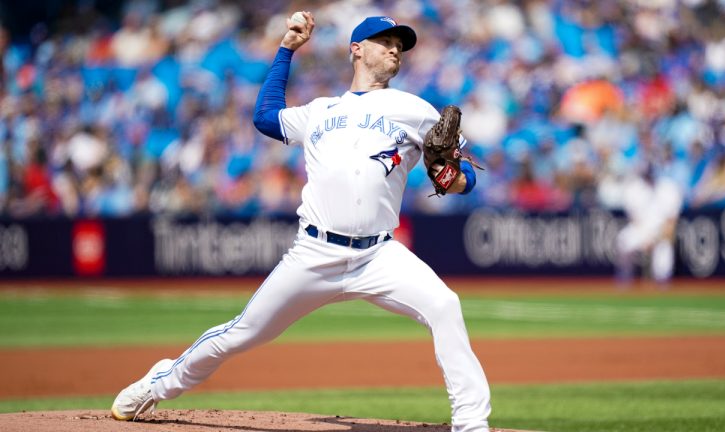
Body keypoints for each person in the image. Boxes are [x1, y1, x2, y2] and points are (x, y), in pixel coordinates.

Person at [111, 12, 491, 432]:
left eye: (400, 44)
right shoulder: (320, 111)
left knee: (444, 305)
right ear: (357, 49)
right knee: (241, 333)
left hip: (378, 255)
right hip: (314, 253)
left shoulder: (415, 109)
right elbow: (265, 117)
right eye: (385, 40)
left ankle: (471, 424)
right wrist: (286, 49)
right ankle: (157, 384)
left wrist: (455, 180)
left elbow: (465, 174)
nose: (395, 49)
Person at [615, 165, 684, 285]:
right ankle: (624, 280)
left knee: (664, 252)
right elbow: (634, 220)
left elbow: (671, 223)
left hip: (661, 232)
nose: (649, 177)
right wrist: (645, 238)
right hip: (640, 230)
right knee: (624, 240)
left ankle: (663, 284)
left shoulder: (668, 188)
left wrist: (656, 238)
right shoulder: (634, 188)